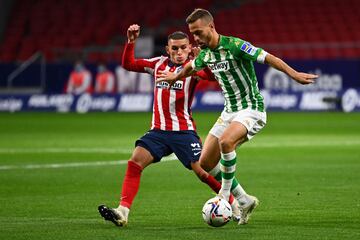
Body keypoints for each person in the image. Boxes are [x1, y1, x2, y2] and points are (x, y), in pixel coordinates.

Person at [157, 8, 318, 225]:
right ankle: (244, 199)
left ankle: (224, 196)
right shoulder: (206, 55)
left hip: (251, 109)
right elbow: (189, 68)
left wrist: (294, 74)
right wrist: (173, 76)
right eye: (192, 33)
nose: (195, 38)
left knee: (226, 142)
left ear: (211, 27)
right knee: (204, 163)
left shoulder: (235, 46)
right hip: (229, 111)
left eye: (198, 32)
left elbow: (269, 58)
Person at [98, 24, 241, 227]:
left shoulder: (193, 67)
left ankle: (234, 203)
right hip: (158, 131)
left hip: (183, 132)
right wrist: (131, 42)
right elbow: (128, 64)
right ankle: (123, 211)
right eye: (175, 48)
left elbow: (211, 77)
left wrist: (203, 59)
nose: (179, 52)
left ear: (190, 48)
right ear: (167, 49)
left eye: (183, 47)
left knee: (202, 173)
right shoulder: (157, 64)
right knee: (135, 162)